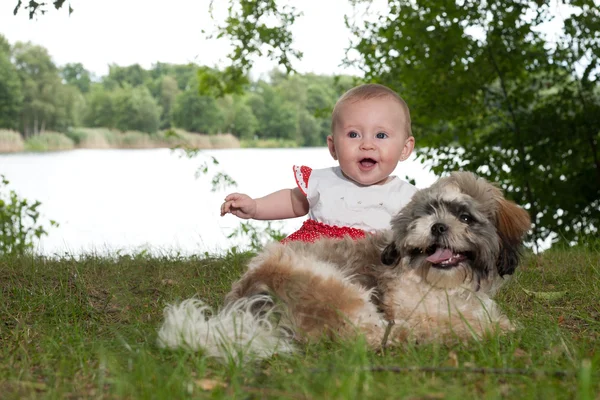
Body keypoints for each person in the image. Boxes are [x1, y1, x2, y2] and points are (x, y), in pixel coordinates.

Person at [220, 83, 417, 243]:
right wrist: (255, 207)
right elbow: (292, 201)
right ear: (333, 147)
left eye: (381, 135)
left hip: (368, 260)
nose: (366, 145)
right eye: (353, 134)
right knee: (281, 271)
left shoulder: (408, 198)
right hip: (315, 253)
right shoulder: (323, 180)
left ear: (404, 149)